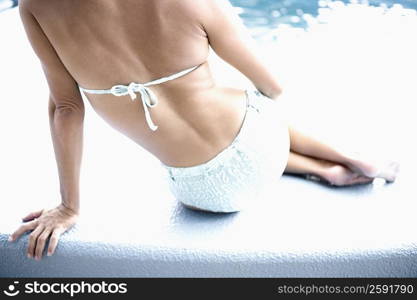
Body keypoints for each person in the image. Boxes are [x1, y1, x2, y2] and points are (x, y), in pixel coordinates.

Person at [8, 0, 399, 261]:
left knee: (205, 146)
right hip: (265, 143)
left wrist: (69, 207)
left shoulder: (36, 6)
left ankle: (325, 169)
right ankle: (343, 157)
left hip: (205, 194)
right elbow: (273, 88)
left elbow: (66, 108)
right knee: (240, 106)